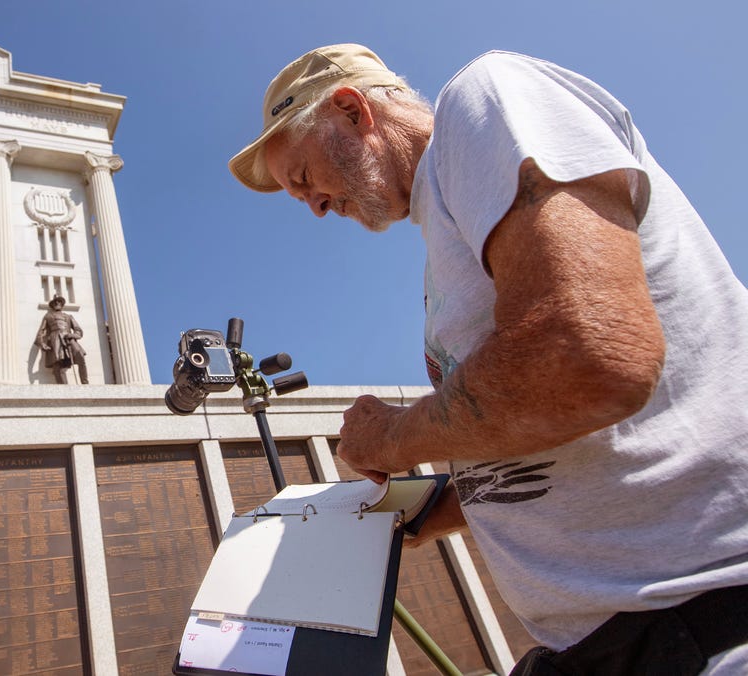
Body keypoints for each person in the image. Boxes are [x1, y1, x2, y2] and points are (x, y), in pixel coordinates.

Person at [229, 44, 748, 674]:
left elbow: (584, 358)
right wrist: (425, 513)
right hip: (609, 641)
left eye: (305, 178)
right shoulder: (445, 236)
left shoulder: (486, 97)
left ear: (351, 109)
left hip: (702, 616)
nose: (313, 206)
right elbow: (554, 435)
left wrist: (393, 436)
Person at [36, 295, 88, 384]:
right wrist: (42, 343)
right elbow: (41, 331)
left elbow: (78, 331)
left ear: (62, 304)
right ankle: (63, 387)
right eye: (55, 302)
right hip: (55, 339)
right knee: (58, 363)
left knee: (80, 355)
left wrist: (72, 335)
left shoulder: (68, 316)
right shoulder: (48, 316)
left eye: (59, 301)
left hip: (69, 338)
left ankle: (85, 382)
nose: (57, 303)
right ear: (52, 305)